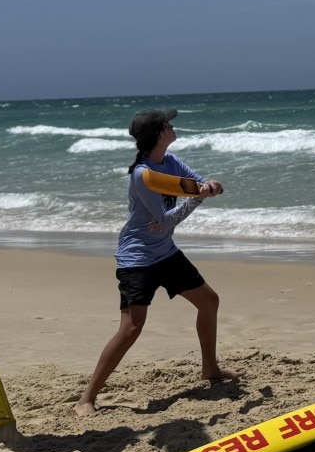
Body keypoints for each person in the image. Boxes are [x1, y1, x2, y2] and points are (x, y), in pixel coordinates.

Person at [77, 109, 239, 416]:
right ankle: (87, 398)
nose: (172, 126)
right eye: (168, 124)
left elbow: (198, 183)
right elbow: (164, 221)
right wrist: (198, 199)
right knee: (131, 328)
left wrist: (211, 185)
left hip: (165, 252)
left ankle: (210, 369)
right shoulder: (142, 175)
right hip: (137, 258)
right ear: (158, 133)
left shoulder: (172, 162)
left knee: (209, 301)